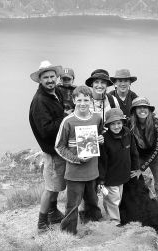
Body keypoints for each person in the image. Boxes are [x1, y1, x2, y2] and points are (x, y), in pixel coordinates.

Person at [55, 86, 104, 235]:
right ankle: (68, 233)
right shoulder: (68, 121)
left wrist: (100, 139)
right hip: (75, 172)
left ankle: (92, 227)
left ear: (91, 100)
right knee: (72, 205)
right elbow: (59, 147)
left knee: (92, 201)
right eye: (80, 100)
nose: (83, 103)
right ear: (74, 100)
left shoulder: (97, 117)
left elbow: (100, 134)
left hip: (92, 170)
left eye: (86, 100)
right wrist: (76, 159)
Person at [29, 60, 68, 233]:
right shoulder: (40, 101)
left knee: (57, 185)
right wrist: (66, 118)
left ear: (57, 78)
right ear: (40, 80)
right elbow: (45, 130)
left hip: (59, 149)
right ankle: (42, 223)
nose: (50, 80)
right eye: (46, 77)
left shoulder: (57, 92)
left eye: (52, 76)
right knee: (51, 188)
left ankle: (53, 213)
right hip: (52, 151)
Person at [98, 108, 139, 225]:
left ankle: (110, 213)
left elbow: (133, 151)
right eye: (113, 124)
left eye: (119, 123)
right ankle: (115, 222)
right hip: (110, 177)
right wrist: (101, 179)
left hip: (124, 174)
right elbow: (101, 161)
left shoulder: (127, 133)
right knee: (114, 200)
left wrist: (136, 168)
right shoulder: (104, 139)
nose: (116, 127)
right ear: (108, 125)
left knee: (116, 198)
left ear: (123, 123)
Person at [128, 97, 158, 211]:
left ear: (149, 110)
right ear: (134, 111)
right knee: (134, 179)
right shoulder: (130, 124)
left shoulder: (156, 125)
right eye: (139, 108)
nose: (142, 110)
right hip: (141, 155)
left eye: (145, 107)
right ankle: (140, 205)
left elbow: (156, 150)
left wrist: (141, 169)